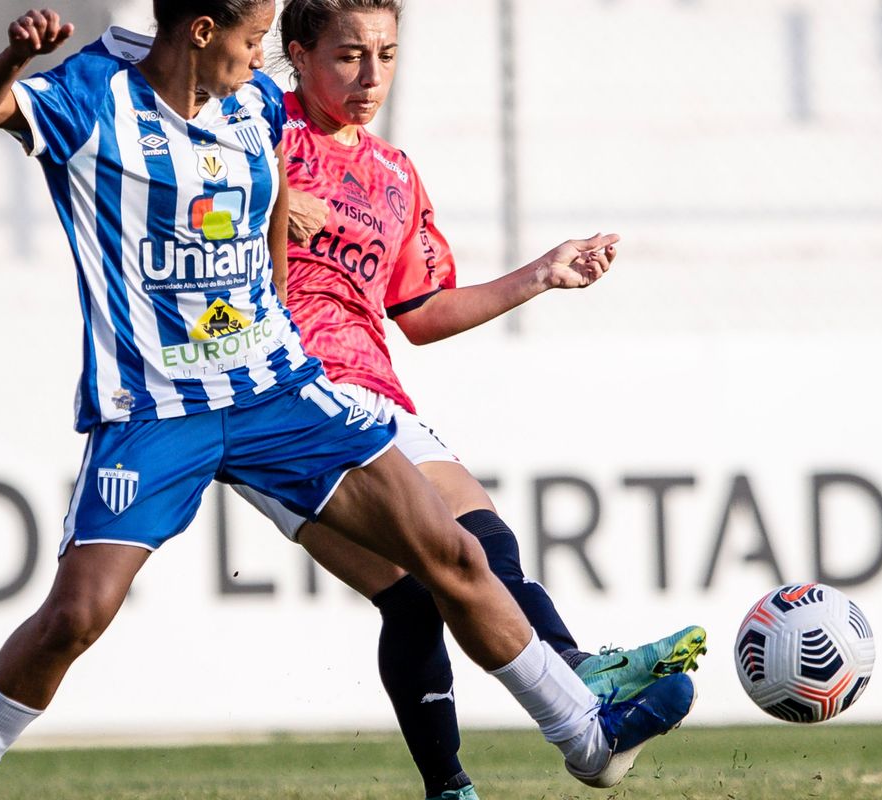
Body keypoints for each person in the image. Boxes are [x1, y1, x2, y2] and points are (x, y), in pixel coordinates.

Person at [0, 3, 693, 799]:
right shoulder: (96, 97)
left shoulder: (254, 106)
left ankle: (586, 734)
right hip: (157, 407)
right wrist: (16, 56)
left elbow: (293, 197)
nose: (264, 56)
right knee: (77, 615)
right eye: (253, 39)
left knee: (451, 553)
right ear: (204, 33)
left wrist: (276, 274)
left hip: (278, 390)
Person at [223, 2, 710, 798]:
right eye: (348, 56)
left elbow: (421, 313)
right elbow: (190, 170)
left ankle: (575, 669)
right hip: (278, 398)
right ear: (299, 52)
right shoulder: (254, 126)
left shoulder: (393, 174)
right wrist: (272, 194)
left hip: (374, 392)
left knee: (479, 541)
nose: (370, 75)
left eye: (385, 53)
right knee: (414, 587)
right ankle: (472, 769)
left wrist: (542, 274)